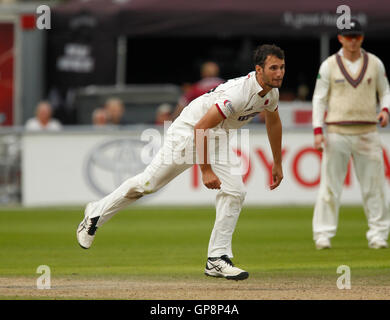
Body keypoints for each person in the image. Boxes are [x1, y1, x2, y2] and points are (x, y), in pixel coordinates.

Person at [77, 44, 285, 280]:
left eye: (282, 67)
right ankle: (95, 213)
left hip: (219, 137)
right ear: (259, 70)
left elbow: (274, 122)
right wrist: (205, 170)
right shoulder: (238, 93)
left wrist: (277, 163)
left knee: (235, 191)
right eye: (273, 68)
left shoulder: (271, 94)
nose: (279, 73)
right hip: (188, 133)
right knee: (148, 184)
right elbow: (201, 128)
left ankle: (217, 259)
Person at [312, 18, 390, 250]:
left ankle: (378, 234)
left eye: (356, 36)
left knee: (374, 185)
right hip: (337, 131)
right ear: (340, 38)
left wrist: (385, 111)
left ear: (362, 37)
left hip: (367, 130)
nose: (353, 41)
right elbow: (319, 99)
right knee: (329, 185)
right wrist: (318, 130)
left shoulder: (374, 63)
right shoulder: (329, 65)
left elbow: (385, 92)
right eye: (348, 37)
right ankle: (323, 234)